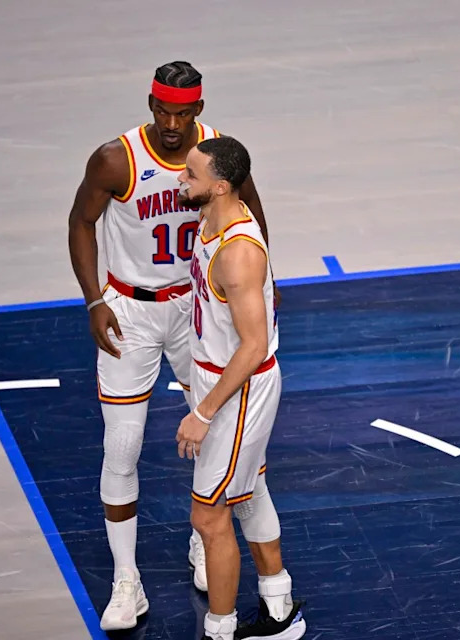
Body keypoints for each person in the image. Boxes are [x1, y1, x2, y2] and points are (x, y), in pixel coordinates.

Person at [67, 60, 270, 632]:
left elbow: (251, 217)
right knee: (122, 446)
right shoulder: (117, 159)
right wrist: (92, 299)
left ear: (198, 110)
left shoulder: (216, 154)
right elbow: (80, 223)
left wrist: (256, 293)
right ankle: (126, 580)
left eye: (183, 112)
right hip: (128, 309)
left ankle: (204, 539)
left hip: (198, 309)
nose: (173, 123)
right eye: (163, 111)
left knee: (219, 432)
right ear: (150, 105)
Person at [175, 137, 306, 640]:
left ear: (221, 187)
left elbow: (251, 347)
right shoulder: (212, 217)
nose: (181, 181)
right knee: (249, 491)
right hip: (218, 376)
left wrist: (203, 412)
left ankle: (220, 630)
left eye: (191, 176)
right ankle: (278, 606)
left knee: (208, 517)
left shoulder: (237, 255)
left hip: (240, 388)